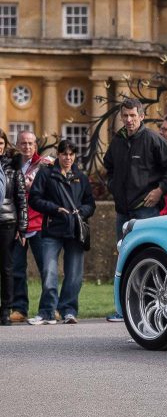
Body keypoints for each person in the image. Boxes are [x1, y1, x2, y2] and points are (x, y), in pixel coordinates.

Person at [103, 98, 167, 322]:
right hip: (123, 212)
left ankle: (151, 309)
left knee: (147, 261)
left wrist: (160, 190)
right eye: (125, 116)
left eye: (132, 116)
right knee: (124, 261)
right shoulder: (117, 141)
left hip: (145, 212)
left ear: (141, 116)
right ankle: (124, 310)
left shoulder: (152, 139)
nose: (129, 120)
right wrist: (113, 186)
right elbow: (108, 165)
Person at [27, 140, 95, 326]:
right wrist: (55, 209)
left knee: (74, 274)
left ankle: (68, 310)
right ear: (58, 154)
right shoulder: (46, 174)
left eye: (71, 154)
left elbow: (91, 203)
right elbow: (34, 199)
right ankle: (47, 311)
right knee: (49, 271)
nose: (68, 158)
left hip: (75, 231)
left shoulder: (80, 177)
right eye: (64, 154)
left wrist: (81, 212)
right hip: (52, 229)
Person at [8, 131, 50, 323]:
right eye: (23, 143)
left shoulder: (45, 165)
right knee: (17, 269)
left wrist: (37, 187)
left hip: (40, 223)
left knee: (46, 269)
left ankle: (49, 308)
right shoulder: (11, 165)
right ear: (17, 145)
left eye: (31, 143)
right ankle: (19, 308)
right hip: (18, 225)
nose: (27, 146)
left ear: (36, 145)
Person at [0, 132, 27, 325]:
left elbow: (21, 199)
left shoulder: (13, 167)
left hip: (7, 221)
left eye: (0, 143)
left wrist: (22, 228)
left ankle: (5, 310)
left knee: (6, 268)